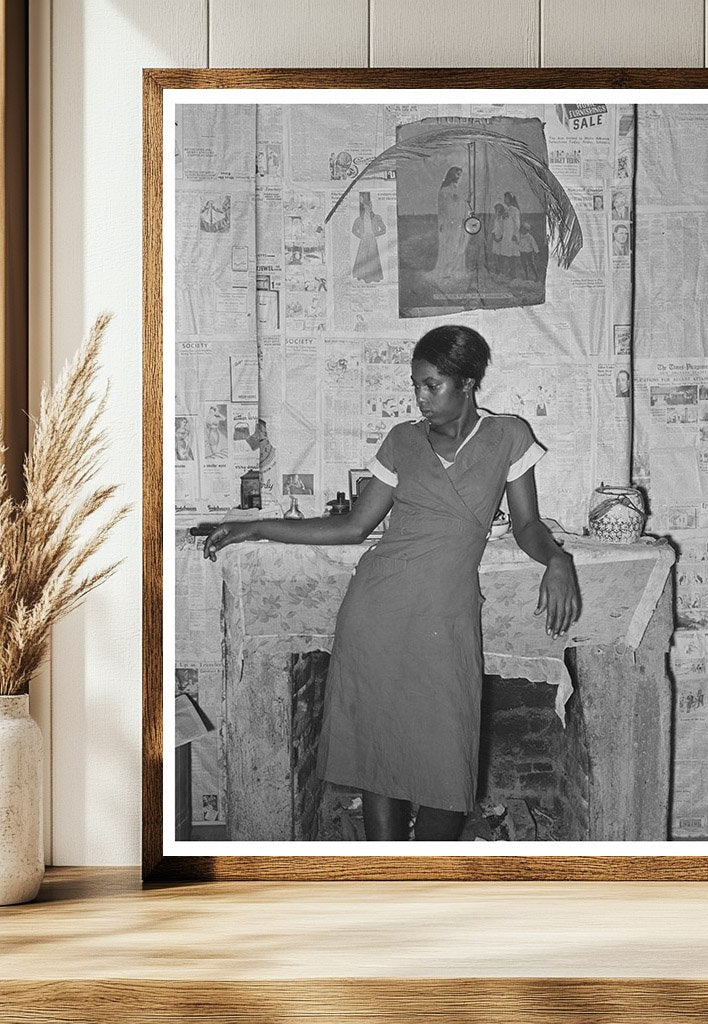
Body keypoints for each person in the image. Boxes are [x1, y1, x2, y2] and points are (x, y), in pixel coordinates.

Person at [203, 325, 581, 842]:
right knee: (379, 754)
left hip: (445, 616)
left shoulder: (507, 435)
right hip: (377, 609)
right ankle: (387, 872)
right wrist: (258, 525)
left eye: (433, 385)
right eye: (416, 385)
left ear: (468, 383)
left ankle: (423, 876)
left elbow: (527, 526)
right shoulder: (402, 441)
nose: (421, 397)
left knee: (448, 767)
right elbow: (353, 527)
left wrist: (557, 561)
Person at [431, 166, 471, 287]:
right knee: (450, 245)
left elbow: (462, 204)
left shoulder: (457, 189)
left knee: (459, 244)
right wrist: (458, 202)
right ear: (452, 175)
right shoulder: (445, 190)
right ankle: (447, 271)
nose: (459, 177)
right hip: (450, 222)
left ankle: (456, 269)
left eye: (460, 175)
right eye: (457, 174)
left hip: (459, 222)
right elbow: (445, 207)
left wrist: (465, 201)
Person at [351, 192, 386, 284]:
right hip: (364, 240)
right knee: (362, 258)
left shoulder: (377, 217)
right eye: (367, 206)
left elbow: (384, 229)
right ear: (364, 207)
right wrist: (361, 236)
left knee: (372, 259)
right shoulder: (359, 219)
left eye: (370, 206)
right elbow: (354, 230)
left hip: (372, 240)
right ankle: (361, 276)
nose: (369, 208)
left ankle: (373, 277)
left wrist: (375, 234)